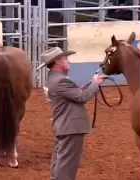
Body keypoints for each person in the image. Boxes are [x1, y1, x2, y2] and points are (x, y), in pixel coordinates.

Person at [37, 47, 106, 180]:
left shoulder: (53, 79)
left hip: (63, 125)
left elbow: (74, 93)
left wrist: (92, 82)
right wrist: (96, 84)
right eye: (65, 58)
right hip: (71, 126)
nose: (68, 61)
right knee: (67, 166)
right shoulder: (61, 81)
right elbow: (81, 97)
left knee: (60, 161)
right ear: (57, 61)